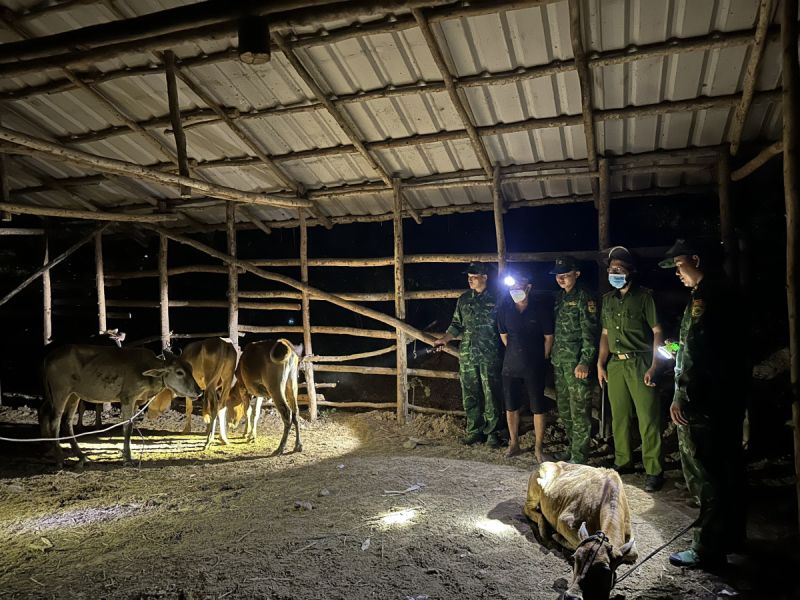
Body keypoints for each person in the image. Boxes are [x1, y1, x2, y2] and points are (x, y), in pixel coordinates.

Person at [660, 239, 747, 568]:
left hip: (704, 401)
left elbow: (698, 352)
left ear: (696, 259)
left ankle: (708, 549)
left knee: (705, 471)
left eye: (680, 265)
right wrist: (678, 349)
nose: (678, 274)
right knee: (729, 468)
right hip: (727, 396)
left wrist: (681, 394)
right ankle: (733, 535)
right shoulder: (729, 291)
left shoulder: (705, 296)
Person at [597, 246, 665, 492]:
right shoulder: (608, 300)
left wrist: (655, 365)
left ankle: (654, 469)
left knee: (648, 418)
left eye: (618, 269)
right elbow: (605, 334)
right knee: (620, 416)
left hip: (640, 362)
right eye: (611, 269)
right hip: (616, 364)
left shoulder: (645, 297)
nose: (613, 273)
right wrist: (600, 363)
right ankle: (623, 461)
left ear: (630, 272)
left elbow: (658, 332)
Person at [435, 262, 504, 447]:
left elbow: (505, 327)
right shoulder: (464, 299)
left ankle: (493, 433)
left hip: (491, 354)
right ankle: (475, 430)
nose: (470, 279)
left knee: (492, 394)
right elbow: (456, 324)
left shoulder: (499, 298)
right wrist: (445, 339)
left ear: (485, 277)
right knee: (470, 394)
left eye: (474, 276)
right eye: (468, 276)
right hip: (467, 354)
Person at [497, 271, 554, 460]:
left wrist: (540, 357)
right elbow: (504, 336)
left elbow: (548, 338)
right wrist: (517, 352)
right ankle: (514, 443)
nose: (515, 290)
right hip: (510, 365)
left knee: (537, 406)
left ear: (528, 288)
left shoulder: (540, 309)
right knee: (511, 405)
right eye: (512, 287)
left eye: (519, 286)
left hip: (534, 365)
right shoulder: (505, 309)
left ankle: (538, 447)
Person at [550, 256, 597, 464]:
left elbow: (590, 332)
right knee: (564, 408)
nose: (561, 279)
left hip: (577, 364)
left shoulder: (584, 297)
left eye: (565, 275)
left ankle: (580, 456)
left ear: (576, 274)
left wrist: (585, 361)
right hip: (560, 362)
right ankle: (572, 448)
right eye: (558, 275)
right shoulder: (560, 297)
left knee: (579, 409)